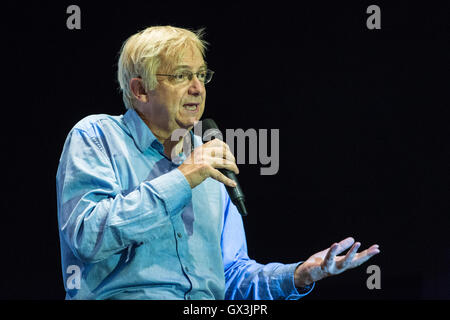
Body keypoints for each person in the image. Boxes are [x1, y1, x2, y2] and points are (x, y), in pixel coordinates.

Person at [56, 25, 380, 300]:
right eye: (182, 75)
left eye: (201, 75)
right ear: (141, 89)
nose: (197, 88)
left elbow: (232, 273)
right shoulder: (97, 136)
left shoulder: (206, 157)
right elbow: (88, 236)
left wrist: (298, 275)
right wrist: (183, 179)